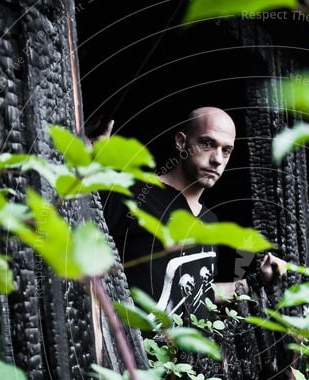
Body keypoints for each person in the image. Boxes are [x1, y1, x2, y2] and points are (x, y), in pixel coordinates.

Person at [104, 106, 285, 322]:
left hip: (186, 355)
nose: (217, 159)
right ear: (181, 142)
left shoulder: (210, 221)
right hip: (134, 352)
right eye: (207, 144)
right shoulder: (133, 195)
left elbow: (202, 293)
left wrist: (255, 282)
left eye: (226, 150)